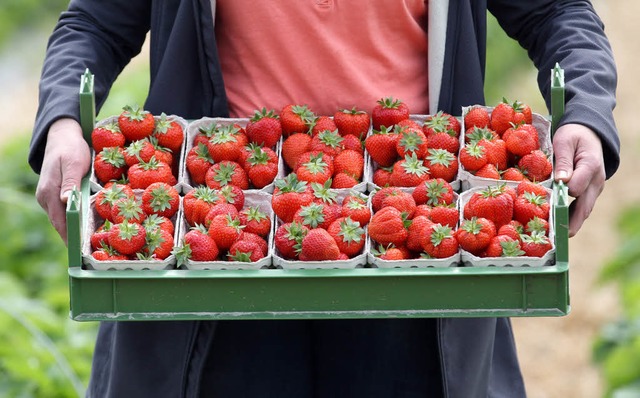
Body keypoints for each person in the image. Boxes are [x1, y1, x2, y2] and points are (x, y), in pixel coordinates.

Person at [30, 1, 619, 397]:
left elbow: (557, 11)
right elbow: (94, 22)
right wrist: (62, 122)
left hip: (410, 237)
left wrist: (585, 116)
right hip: (222, 234)